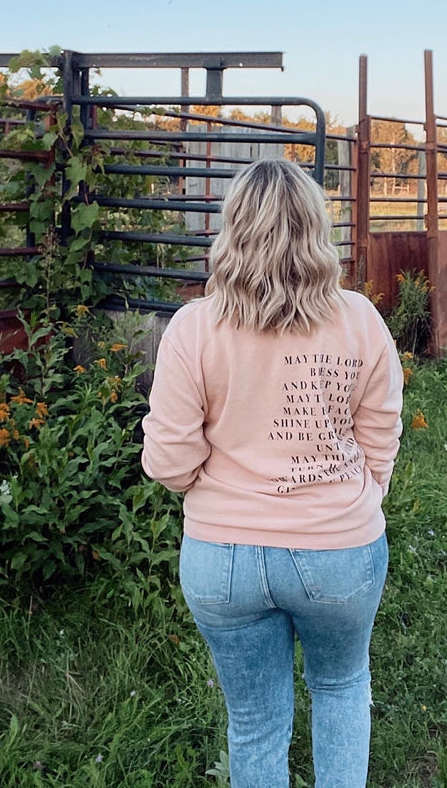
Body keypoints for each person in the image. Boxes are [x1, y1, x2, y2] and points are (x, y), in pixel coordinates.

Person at [141, 158, 404, 788]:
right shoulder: (360, 320)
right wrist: (360, 499)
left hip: (221, 558)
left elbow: (169, 462)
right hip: (339, 548)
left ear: (232, 228)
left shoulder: (194, 328)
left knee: (254, 722)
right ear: (317, 229)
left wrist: (219, 485)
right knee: (341, 687)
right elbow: (381, 437)